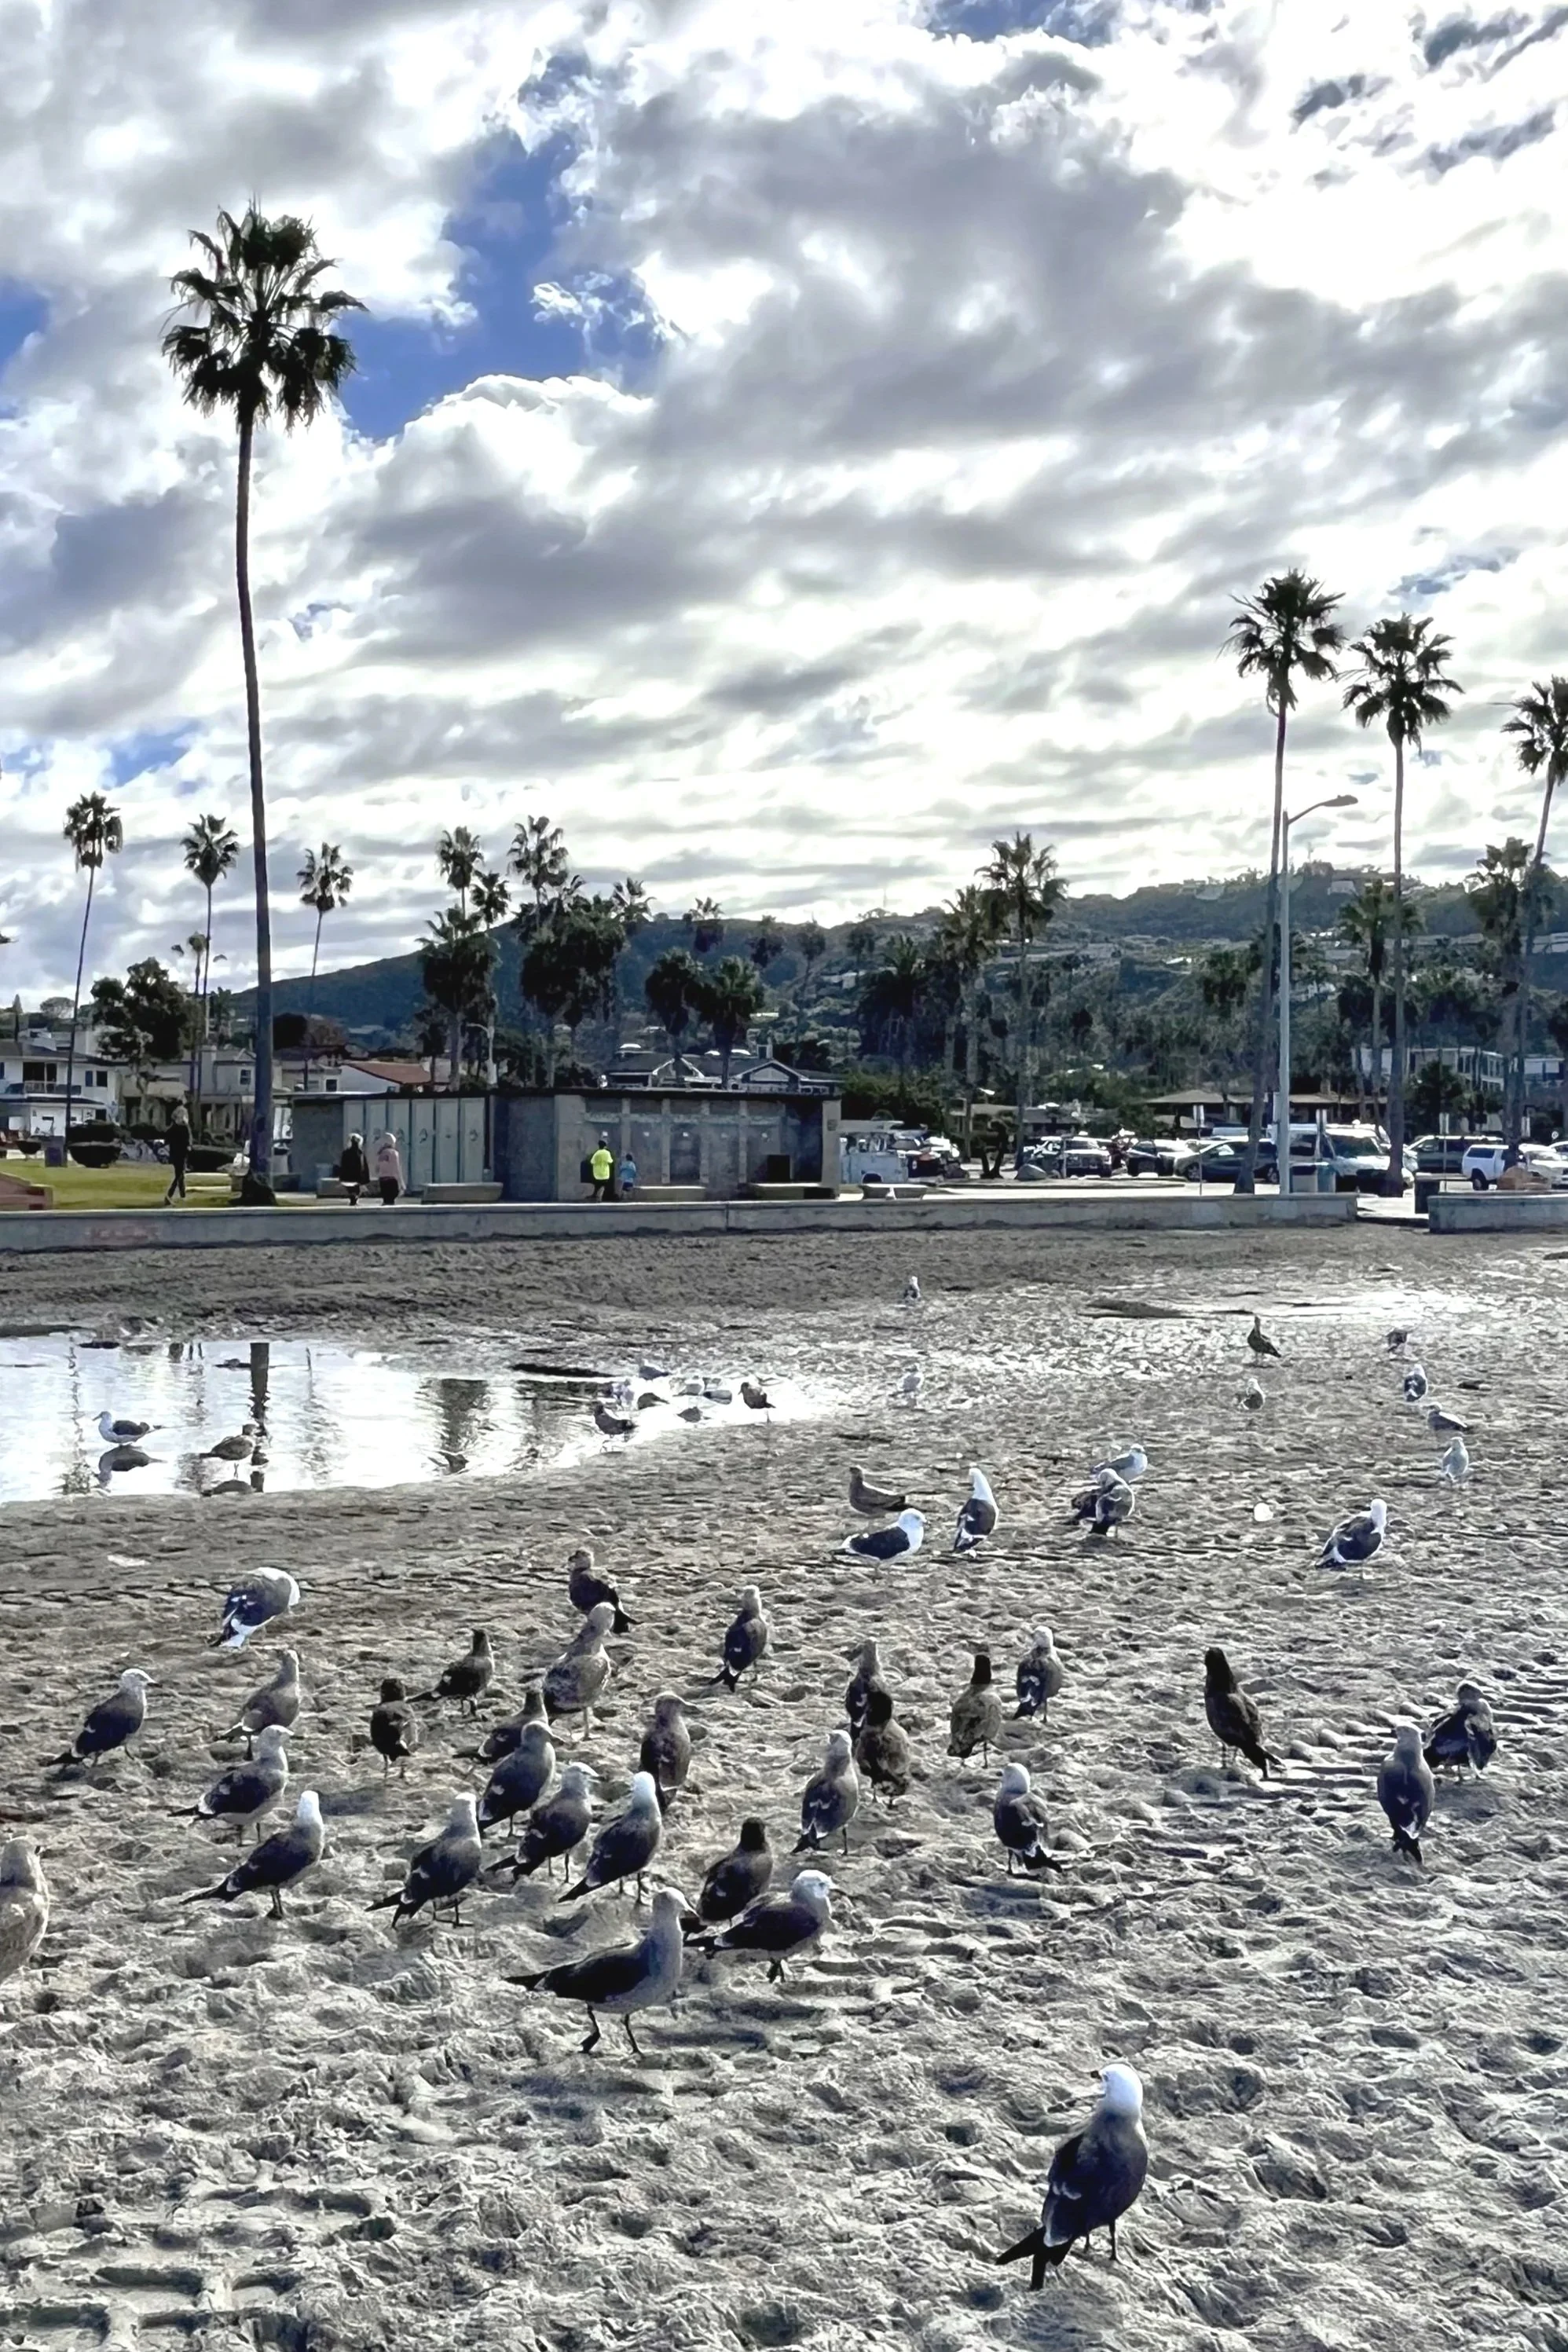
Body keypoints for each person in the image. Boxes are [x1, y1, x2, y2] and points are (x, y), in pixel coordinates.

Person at [163, 1105, 192, 1204]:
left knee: (181, 1175)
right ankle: (169, 1194)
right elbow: (188, 1141)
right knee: (179, 1175)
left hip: (177, 1154)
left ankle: (183, 1196)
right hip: (180, 1154)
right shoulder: (182, 1128)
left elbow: (167, 1139)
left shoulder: (175, 1127)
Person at [336, 1131, 369, 1206]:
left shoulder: (345, 1153)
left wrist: (341, 1177)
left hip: (347, 1179)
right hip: (357, 1179)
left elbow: (342, 1166)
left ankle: (353, 1197)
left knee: (352, 1190)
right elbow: (363, 1167)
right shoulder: (360, 1153)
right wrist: (365, 1179)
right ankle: (354, 1198)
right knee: (355, 1189)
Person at [375, 1130, 403, 1206]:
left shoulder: (381, 1153)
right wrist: (402, 1183)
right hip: (392, 1180)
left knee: (386, 1200)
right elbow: (397, 1168)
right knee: (391, 1201)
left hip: (382, 1180)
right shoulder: (394, 1153)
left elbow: (377, 1168)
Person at [588, 1134, 614, 1201]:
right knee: (603, 1185)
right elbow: (610, 1161)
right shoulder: (607, 1153)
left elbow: (592, 1162)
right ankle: (599, 1197)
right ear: (605, 1146)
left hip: (597, 1173)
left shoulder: (597, 1153)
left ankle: (596, 1195)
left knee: (598, 1185)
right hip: (605, 1173)